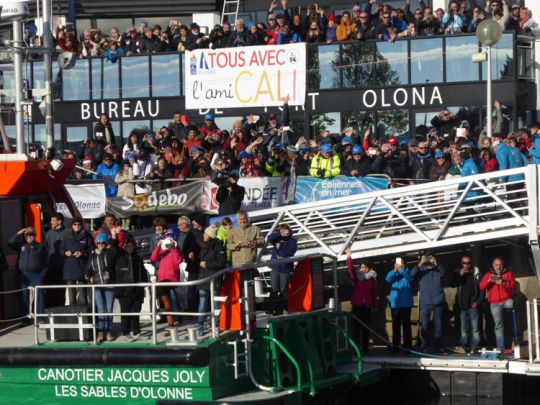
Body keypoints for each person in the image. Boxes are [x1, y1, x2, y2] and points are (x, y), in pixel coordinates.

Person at [8, 227, 48, 319]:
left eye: (31, 235)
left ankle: (40, 317)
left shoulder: (41, 246)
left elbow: (46, 261)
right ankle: (24, 319)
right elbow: (10, 243)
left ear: (35, 235)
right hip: (23, 275)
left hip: (36, 275)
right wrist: (19, 232)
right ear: (25, 236)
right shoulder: (21, 246)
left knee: (39, 296)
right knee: (24, 297)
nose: (29, 237)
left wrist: (43, 273)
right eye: (27, 235)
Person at [115, 235, 148, 342]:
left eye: (131, 245)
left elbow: (143, 273)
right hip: (124, 290)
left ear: (134, 246)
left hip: (137, 289)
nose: (128, 247)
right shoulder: (118, 257)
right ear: (122, 246)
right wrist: (115, 236)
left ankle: (136, 332)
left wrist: (144, 284)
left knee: (135, 311)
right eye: (126, 245)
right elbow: (113, 249)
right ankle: (125, 333)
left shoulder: (138, 258)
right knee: (125, 313)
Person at [411, 253, 446, 353]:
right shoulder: (421, 269)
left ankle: (438, 346)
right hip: (426, 301)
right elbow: (411, 275)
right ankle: (423, 345)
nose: (429, 260)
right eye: (428, 258)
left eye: (431, 258)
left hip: (438, 300)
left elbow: (443, 273)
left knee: (438, 324)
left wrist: (436, 263)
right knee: (424, 324)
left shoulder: (439, 268)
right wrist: (421, 262)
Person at [479, 257, 516, 354]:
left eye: (500, 265)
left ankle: (508, 314)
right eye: (496, 265)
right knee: (498, 325)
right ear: (493, 265)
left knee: (510, 304)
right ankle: (501, 348)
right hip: (494, 303)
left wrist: (503, 282)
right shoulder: (488, 275)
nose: (498, 267)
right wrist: (489, 281)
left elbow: (513, 286)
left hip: (506, 300)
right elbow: (481, 287)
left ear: (503, 265)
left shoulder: (508, 273)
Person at [86, 231, 117, 343]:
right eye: (98, 242)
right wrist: (88, 277)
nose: (100, 245)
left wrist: (113, 238)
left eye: (103, 242)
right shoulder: (92, 255)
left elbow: (115, 248)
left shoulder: (109, 253)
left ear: (106, 243)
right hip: (97, 285)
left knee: (108, 309)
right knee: (100, 309)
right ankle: (100, 332)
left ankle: (108, 332)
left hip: (109, 284)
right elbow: (88, 269)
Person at [346, 247, 377, 353]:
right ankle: (355, 348)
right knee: (356, 328)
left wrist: (374, 306)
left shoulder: (372, 279)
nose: (363, 269)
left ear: (369, 269)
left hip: (367, 306)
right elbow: (351, 270)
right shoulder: (357, 277)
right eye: (362, 267)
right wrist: (349, 257)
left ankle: (365, 348)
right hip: (357, 305)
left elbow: (374, 293)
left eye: (365, 268)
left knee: (366, 328)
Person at [150, 236, 183, 337]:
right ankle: (170, 326)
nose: (167, 245)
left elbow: (179, 260)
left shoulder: (175, 252)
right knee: (165, 299)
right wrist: (158, 246)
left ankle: (167, 307)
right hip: (162, 280)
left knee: (160, 289)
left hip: (171, 279)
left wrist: (173, 246)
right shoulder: (162, 253)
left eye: (168, 243)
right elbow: (153, 258)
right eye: (166, 243)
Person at [198, 226, 227, 336]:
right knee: (202, 302)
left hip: (214, 279)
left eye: (205, 234)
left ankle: (215, 325)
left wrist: (207, 264)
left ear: (209, 236)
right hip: (203, 277)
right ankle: (200, 325)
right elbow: (198, 259)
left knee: (215, 304)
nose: (203, 235)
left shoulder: (219, 246)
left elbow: (222, 262)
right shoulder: (201, 245)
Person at [451, 255, 482, 354]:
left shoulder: (476, 273)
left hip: (473, 305)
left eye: (468, 263)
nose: (466, 265)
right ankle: (464, 346)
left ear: (471, 263)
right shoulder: (457, 272)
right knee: (463, 328)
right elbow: (452, 284)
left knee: (475, 328)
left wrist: (477, 302)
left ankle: (475, 346)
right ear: (461, 263)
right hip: (462, 305)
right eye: (464, 263)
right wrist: (460, 274)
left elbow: (482, 290)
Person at [60, 218, 94, 306]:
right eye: (75, 224)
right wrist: (65, 252)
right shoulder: (66, 235)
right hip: (70, 268)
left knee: (83, 295)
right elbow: (61, 250)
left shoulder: (87, 236)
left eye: (78, 224)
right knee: (71, 295)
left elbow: (91, 249)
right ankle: (73, 316)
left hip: (82, 267)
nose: (77, 226)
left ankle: (84, 316)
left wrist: (82, 253)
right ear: (72, 226)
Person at [267, 223, 298, 315]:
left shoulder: (292, 241)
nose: (284, 231)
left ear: (289, 231)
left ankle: (281, 310)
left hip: (285, 269)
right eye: (282, 229)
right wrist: (278, 232)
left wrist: (279, 248)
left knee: (283, 290)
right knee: (274, 289)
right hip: (275, 268)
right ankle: (270, 309)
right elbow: (269, 238)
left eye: (286, 229)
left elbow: (290, 252)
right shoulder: (277, 238)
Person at [385, 257, 413, 352]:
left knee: (406, 326)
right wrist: (394, 270)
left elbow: (409, 278)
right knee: (395, 326)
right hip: (395, 305)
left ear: (404, 264)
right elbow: (388, 279)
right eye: (397, 263)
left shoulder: (407, 271)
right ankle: (396, 346)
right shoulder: (393, 273)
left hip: (405, 304)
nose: (398, 265)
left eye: (400, 263)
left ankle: (407, 347)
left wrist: (401, 269)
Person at [44, 213, 66, 308]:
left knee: (61, 291)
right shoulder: (48, 234)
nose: (51, 222)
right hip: (51, 268)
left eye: (53, 220)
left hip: (63, 267)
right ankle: (51, 311)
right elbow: (46, 249)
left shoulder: (67, 233)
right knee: (51, 291)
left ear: (59, 221)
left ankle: (61, 310)